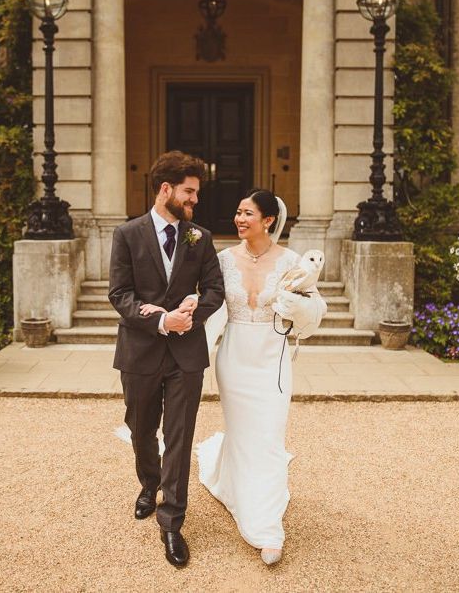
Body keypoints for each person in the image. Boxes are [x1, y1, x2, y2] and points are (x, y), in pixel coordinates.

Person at [196, 189, 327, 566]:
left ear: (268, 220)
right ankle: (238, 488)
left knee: (269, 432)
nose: (239, 219)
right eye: (237, 212)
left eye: (247, 213)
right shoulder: (221, 259)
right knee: (240, 430)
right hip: (234, 354)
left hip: (273, 353)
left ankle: (266, 524)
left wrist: (295, 306)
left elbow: (314, 308)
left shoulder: (292, 261)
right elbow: (207, 301)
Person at [108, 150, 224, 568]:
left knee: (179, 436)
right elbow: (120, 295)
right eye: (189, 192)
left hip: (186, 356)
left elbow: (214, 289)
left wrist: (193, 312)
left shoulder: (201, 237)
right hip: (140, 351)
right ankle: (148, 483)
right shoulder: (127, 235)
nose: (194, 201)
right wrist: (160, 321)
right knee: (141, 427)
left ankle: (171, 522)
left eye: (195, 193)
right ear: (165, 189)